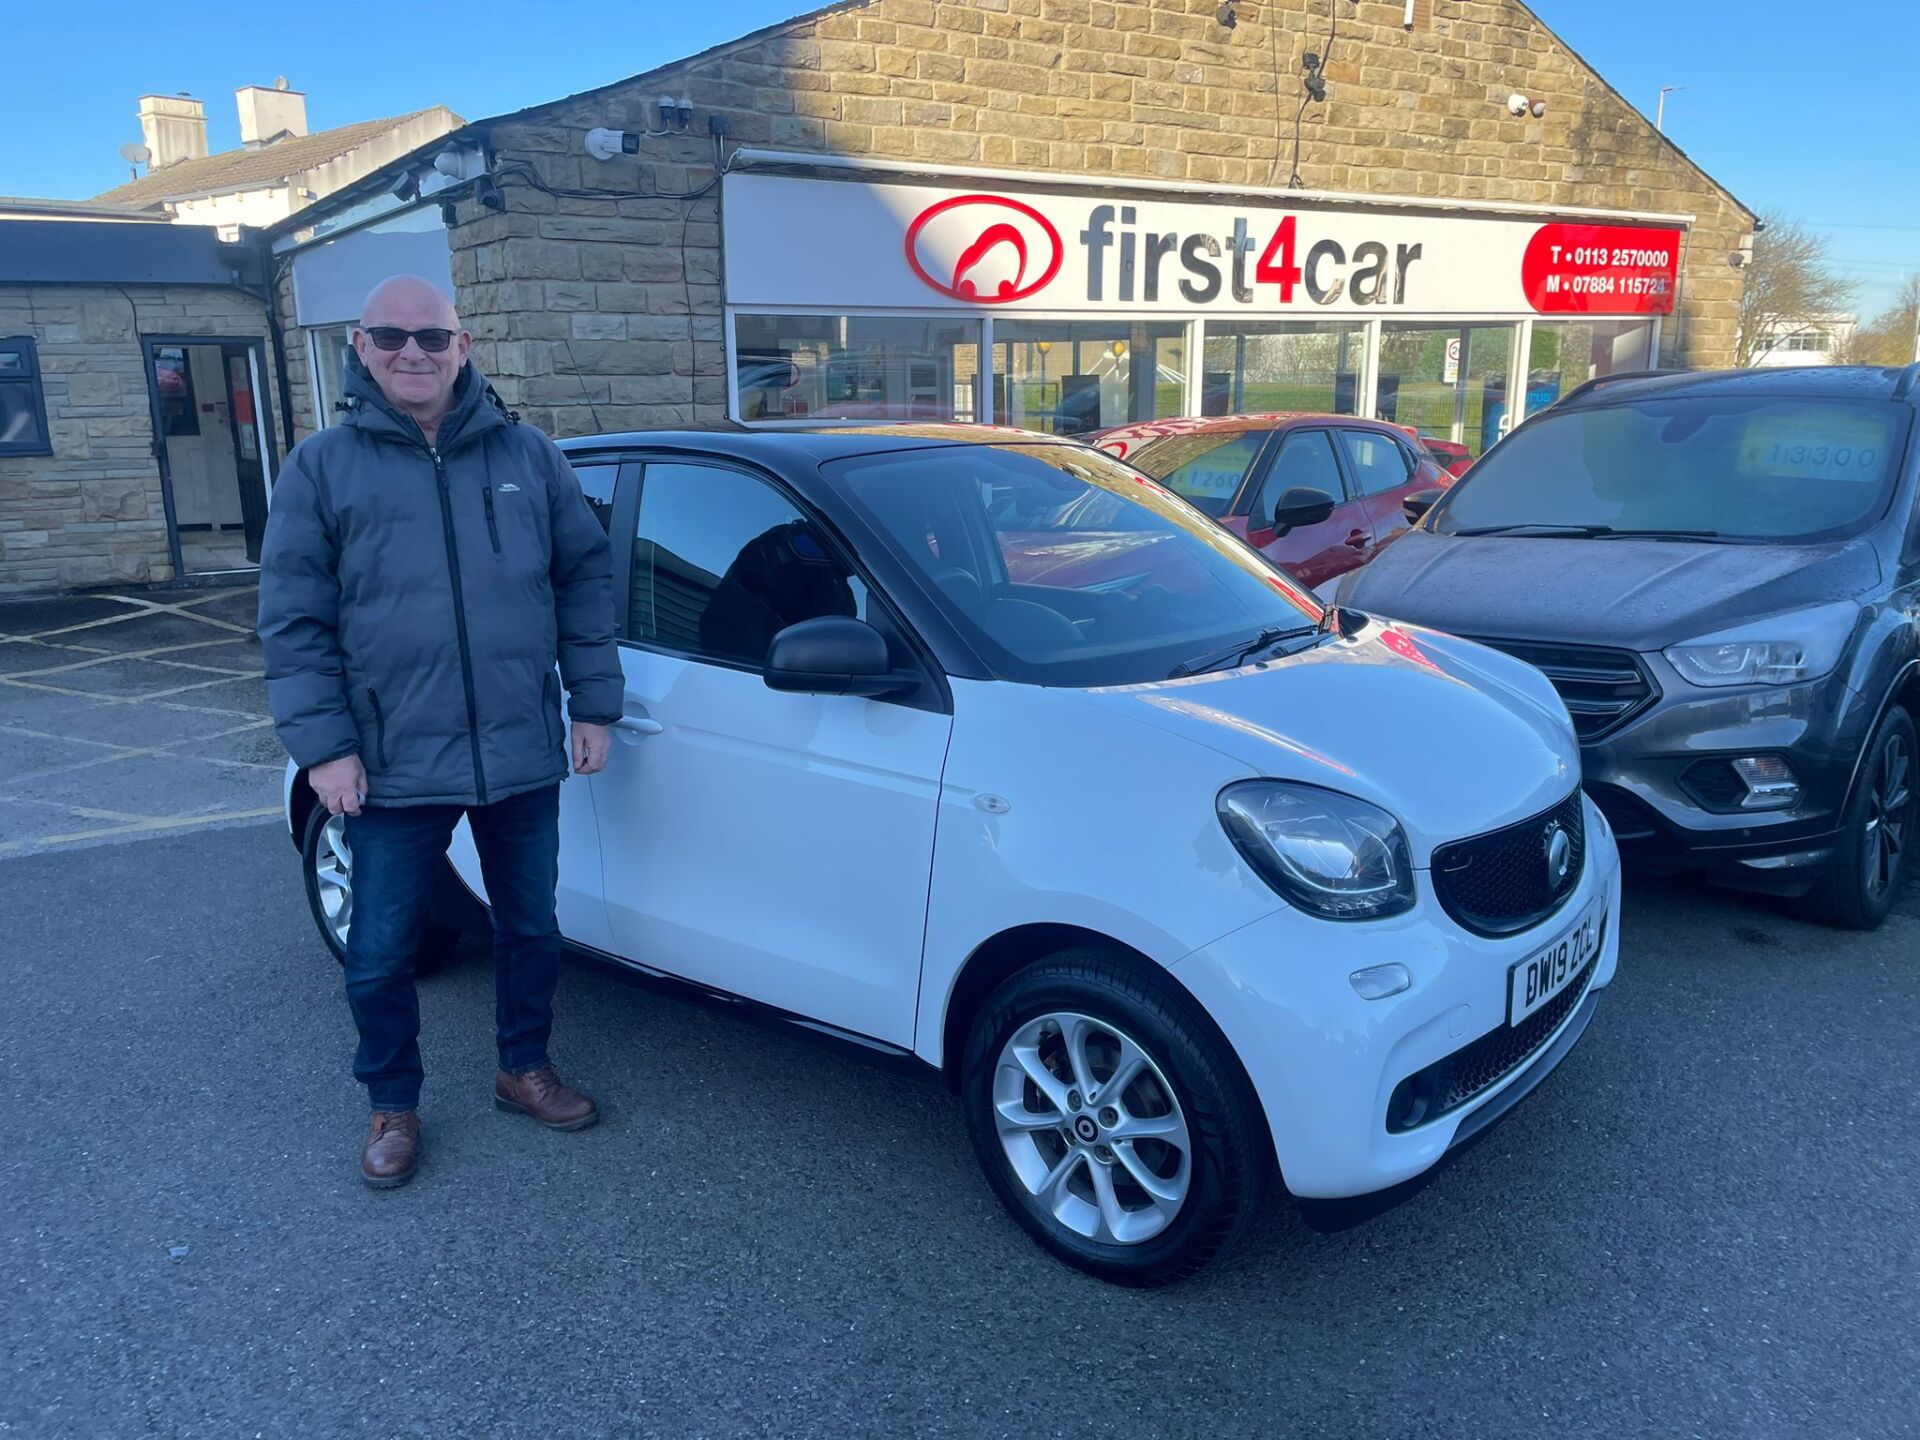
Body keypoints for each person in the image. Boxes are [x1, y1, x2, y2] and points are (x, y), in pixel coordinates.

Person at [258, 275, 623, 1189]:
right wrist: (325, 749)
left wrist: (596, 702)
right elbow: (294, 622)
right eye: (391, 337)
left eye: (431, 337)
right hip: (390, 758)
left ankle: (522, 1067)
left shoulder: (529, 456)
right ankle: (392, 1102)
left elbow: (582, 581)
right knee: (381, 950)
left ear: (463, 346)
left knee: (531, 926)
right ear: (360, 348)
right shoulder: (321, 468)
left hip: (517, 743)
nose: (411, 353)